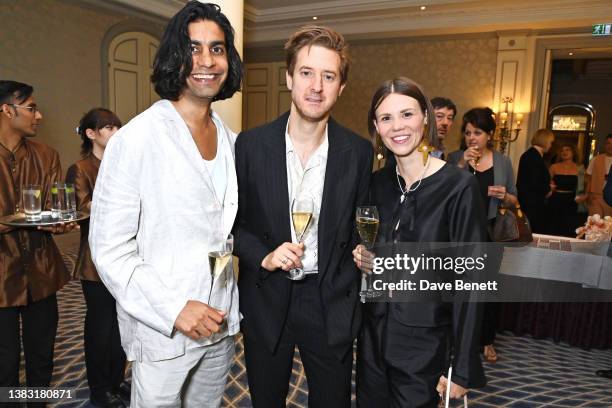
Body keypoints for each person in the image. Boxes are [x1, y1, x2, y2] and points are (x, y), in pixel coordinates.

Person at [89, 2, 243, 407]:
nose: (207, 61)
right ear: (174, 56)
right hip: (164, 327)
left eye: (217, 48)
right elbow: (109, 248)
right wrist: (175, 309)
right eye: (193, 49)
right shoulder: (136, 139)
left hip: (221, 321)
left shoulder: (232, 141)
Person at [233, 25, 373, 407]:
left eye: (329, 76)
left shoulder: (358, 152)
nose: (316, 86)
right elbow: (233, 225)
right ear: (289, 77)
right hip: (267, 294)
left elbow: (363, 225)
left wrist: (368, 250)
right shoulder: (250, 145)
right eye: (307, 73)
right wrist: (263, 254)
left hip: (330, 300)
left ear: (341, 87)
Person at [354, 77, 486, 407]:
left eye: (407, 115)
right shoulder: (376, 184)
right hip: (372, 340)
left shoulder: (458, 187)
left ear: (425, 118)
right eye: (386, 118)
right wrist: (363, 256)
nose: (397, 126)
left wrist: (463, 368)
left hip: (425, 348)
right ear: (376, 126)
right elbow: (371, 249)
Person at [0, 80, 75, 407]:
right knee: (3, 360)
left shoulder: (47, 156)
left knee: (41, 354)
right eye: (31, 107)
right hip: (1, 275)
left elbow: (52, 211)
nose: (39, 115)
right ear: (6, 109)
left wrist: (62, 223)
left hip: (43, 272)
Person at [66, 108, 128, 408]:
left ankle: (117, 381)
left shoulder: (126, 165)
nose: (116, 132)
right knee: (100, 328)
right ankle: (98, 387)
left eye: (118, 126)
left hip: (127, 257)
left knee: (122, 326)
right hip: (95, 261)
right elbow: (82, 210)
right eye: (108, 127)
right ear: (91, 134)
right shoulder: (80, 169)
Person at [447, 107, 518, 364]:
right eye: (467, 133)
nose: (472, 138)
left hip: (490, 233)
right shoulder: (455, 158)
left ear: (489, 134)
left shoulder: (503, 161)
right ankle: (455, 340)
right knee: (457, 288)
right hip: (460, 235)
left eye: (477, 132)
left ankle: (487, 340)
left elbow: (514, 199)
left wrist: (505, 196)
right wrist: (462, 163)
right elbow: (444, 192)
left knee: (487, 291)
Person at [516, 129, 555, 234]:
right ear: (545, 141)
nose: (551, 145)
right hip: (531, 206)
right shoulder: (533, 157)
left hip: (530, 204)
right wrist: (548, 188)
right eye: (550, 142)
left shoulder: (532, 155)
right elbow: (534, 183)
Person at [548, 144, 586, 237]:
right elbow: (547, 183)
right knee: (553, 227)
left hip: (571, 201)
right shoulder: (554, 167)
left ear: (573, 152)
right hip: (555, 199)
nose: (564, 152)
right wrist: (550, 186)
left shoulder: (579, 167)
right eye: (562, 150)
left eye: (567, 149)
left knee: (569, 228)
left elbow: (585, 185)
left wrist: (585, 196)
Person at [585, 134, 612, 217]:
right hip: (596, 196)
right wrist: (587, 193)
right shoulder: (596, 159)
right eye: (608, 143)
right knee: (595, 225)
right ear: (605, 145)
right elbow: (588, 177)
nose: (610, 146)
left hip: (611, 197)